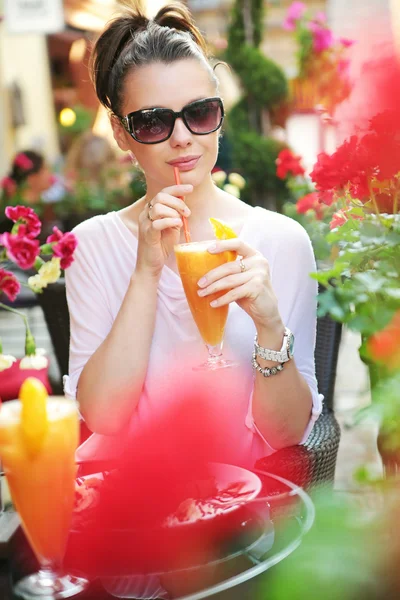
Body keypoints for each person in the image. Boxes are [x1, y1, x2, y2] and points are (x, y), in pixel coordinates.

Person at [64, 1, 322, 468]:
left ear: (218, 117)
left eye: (200, 112)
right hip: (131, 510)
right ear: (122, 134)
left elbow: (286, 436)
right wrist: (146, 270)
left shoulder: (280, 242)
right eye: (153, 121)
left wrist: (268, 324)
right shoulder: (93, 246)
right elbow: (104, 416)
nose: (182, 137)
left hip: (247, 508)